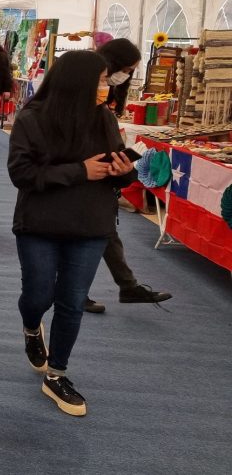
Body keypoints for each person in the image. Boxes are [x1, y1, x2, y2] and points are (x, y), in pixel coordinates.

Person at [8, 50, 137, 417]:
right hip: (40, 223)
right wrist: (78, 171)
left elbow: (115, 170)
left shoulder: (104, 118)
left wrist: (124, 170)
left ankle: (57, 374)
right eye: (99, 80)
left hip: (91, 225)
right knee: (37, 294)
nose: (105, 87)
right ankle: (32, 328)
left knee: (71, 301)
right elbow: (21, 173)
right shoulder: (33, 117)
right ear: (77, 82)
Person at [83, 38, 172, 313]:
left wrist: (121, 163)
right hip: (86, 181)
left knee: (104, 234)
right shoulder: (83, 96)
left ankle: (124, 286)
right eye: (128, 69)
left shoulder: (104, 98)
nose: (128, 75)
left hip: (101, 179)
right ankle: (82, 291)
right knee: (91, 236)